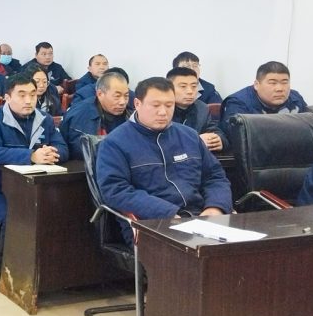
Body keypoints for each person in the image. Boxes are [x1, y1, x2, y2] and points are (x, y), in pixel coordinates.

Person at [96, 77, 232, 245]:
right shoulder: (115, 143)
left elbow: (215, 177)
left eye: (169, 105)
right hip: (152, 222)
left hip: (202, 217)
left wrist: (215, 207)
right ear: (137, 104)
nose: (163, 112)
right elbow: (115, 190)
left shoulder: (189, 136)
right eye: (155, 105)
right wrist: (169, 213)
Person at [0, 73, 68, 274]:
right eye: (22, 94)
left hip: (36, 188)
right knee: (15, 216)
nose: (29, 100)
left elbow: (63, 148)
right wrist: (31, 155)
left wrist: (51, 153)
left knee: (63, 213)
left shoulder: (44, 119)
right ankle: (8, 272)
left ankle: (52, 271)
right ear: (7, 97)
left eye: (33, 94)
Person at [59, 71, 132, 159]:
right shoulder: (82, 113)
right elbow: (82, 151)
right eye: (117, 96)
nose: (123, 102)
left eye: (126, 96)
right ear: (100, 94)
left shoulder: (131, 113)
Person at [220, 61, 309, 128]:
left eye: (284, 82)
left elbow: (310, 127)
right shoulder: (238, 103)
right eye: (272, 83)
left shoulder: (295, 98)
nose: (280, 89)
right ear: (256, 85)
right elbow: (237, 137)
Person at [167, 67, 226, 152]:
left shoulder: (202, 108)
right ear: (169, 88)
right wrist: (195, 140)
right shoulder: (162, 110)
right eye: (183, 86)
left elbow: (214, 130)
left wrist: (219, 140)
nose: (190, 91)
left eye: (194, 86)